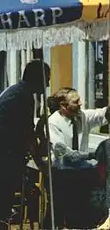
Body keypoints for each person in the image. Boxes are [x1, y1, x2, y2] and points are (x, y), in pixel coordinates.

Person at [0, 59, 50, 230]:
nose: (48, 84)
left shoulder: (15, 91)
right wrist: (40, 163)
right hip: (2, 158)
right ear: (38, 78)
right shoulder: (24, 96)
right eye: (47, 79)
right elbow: (27, 135)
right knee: (1, 205)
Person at [48, 87, 110, 228]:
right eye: (76, 101)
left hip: (83, 171)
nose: (81, 103)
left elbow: (102, 114)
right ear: (63, 106)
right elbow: (65, 155)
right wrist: (92, 155)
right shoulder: (53, 123)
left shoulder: (82, 116)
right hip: (64, 173)